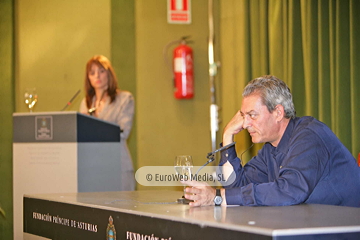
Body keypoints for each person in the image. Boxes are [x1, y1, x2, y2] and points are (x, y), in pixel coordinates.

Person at [184, 75, 360, 207]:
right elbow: (236, 186)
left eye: (252, 115)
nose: (245, 124)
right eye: (244, 116)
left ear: (278, 112)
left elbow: (289, 191)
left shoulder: (310, 136)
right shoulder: (270, 148)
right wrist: (227, 135)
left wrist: (217, 196)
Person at [79, 55, 135, 191]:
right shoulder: (85, 103)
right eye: (92, 73)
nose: (97, 76)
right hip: (92, 169)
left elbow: (123, 131)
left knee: (121, 210)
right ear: (88, 78)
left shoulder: (124, 98)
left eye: (101, 71)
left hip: (117, 166)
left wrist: (92, 126)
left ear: (109, 73)